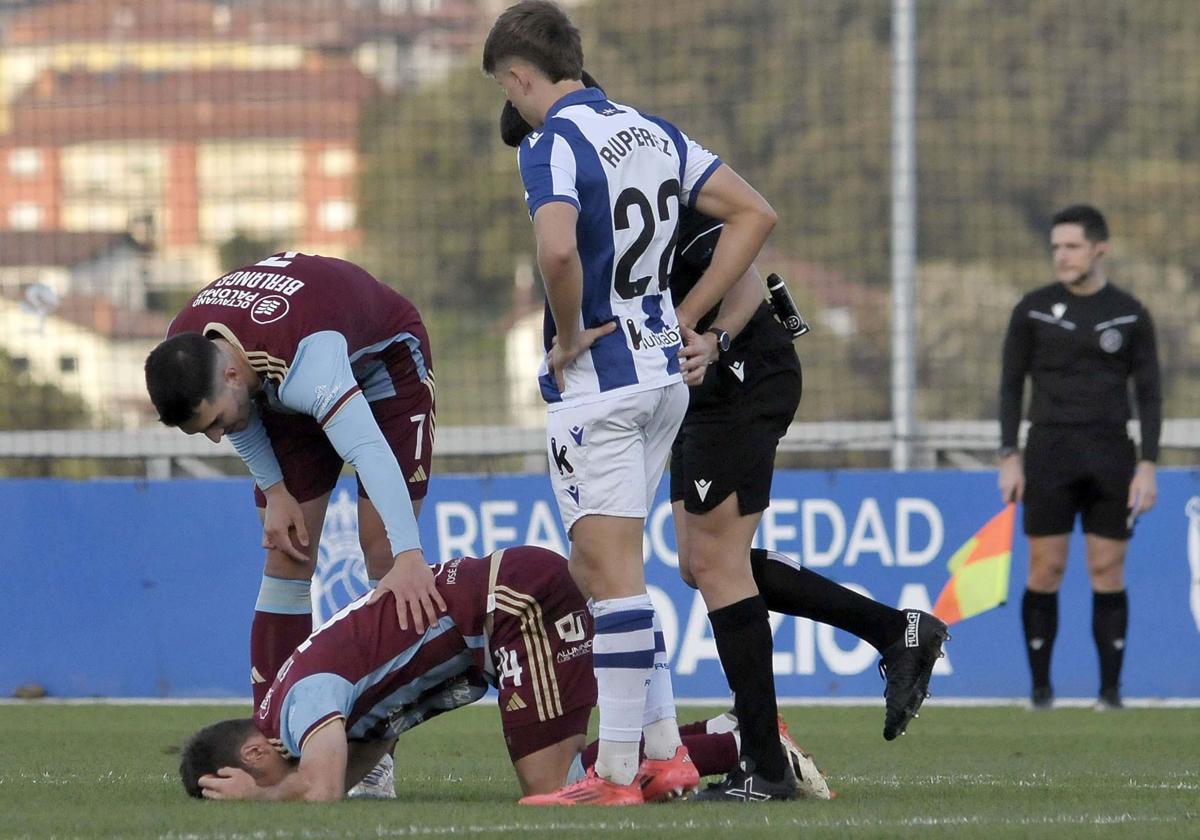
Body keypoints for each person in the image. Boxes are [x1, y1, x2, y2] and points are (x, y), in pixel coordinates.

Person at [501, 84, 949, 803]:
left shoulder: (628, 176)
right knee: (702, 561)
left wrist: (703, 331)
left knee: (712, 562)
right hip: (691, 380)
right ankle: (894, 632)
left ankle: (767, 763)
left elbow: (744, 279)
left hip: (741, 370)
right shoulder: (612, 181)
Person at [482, 1, 778, 806]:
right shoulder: (655, 131)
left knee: (611, 577)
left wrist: (570, 332)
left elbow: (554, 246)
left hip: (600, 387)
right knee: (595, 564)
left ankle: (613, 775)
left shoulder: (550, 143)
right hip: (663, 381)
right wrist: (689, 317)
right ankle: (663, 753)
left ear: (519, 77)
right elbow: (757, 214)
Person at [180, 546, 831, 803]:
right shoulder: (304, 696)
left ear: (254, 751)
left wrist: (259, 797)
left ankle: (747, 742)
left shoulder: (296, 705)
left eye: (255, 772)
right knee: (573, 785)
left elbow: (321, 787)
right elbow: (368, 743)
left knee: (558, 792)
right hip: (506, 612)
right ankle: (738, 733)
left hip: (518, 607)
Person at [145, 252, 444, 796]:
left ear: (232, 374)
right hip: (274, 384)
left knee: (382, 556)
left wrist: (409, 555)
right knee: (286, 554)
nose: (217, 438)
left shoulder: (308, 359)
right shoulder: (188, 348)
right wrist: (276, 490)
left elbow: (368, 451)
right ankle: (279, 742)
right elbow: (239, 414)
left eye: (214, 424)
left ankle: (372, 753)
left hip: (382, 367)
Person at [998, 204, 1161, 710]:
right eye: (1056, 248)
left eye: (1071, 246)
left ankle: (1110, 693)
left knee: (1107, 570)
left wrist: (1148, 465)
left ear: (1098, 248)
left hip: (1112, 455)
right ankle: (1040, 692)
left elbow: (1151, 394)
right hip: (1048, 454)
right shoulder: (1032, 309)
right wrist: (1009, 454)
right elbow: (1009, 387)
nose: (1062, 256)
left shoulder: (1130, 313)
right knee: (1044, 569)